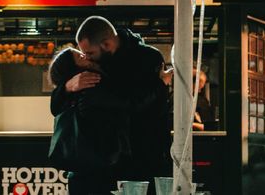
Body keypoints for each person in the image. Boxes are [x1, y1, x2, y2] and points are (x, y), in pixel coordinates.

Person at [72, 16, 173, 194]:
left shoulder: (146, 58)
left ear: (107, 44)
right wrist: (68, 85)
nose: (86, 58)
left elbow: (150, 107)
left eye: (90, 53)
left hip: (143, 154)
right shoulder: (98, 64)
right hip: (113, 158)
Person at [48, 47, 132, 195]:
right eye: (80, 56)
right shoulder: (93, 88)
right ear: (76, 70)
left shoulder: (77, 95)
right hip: (97, 172)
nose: (86, 55)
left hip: (84, 172)